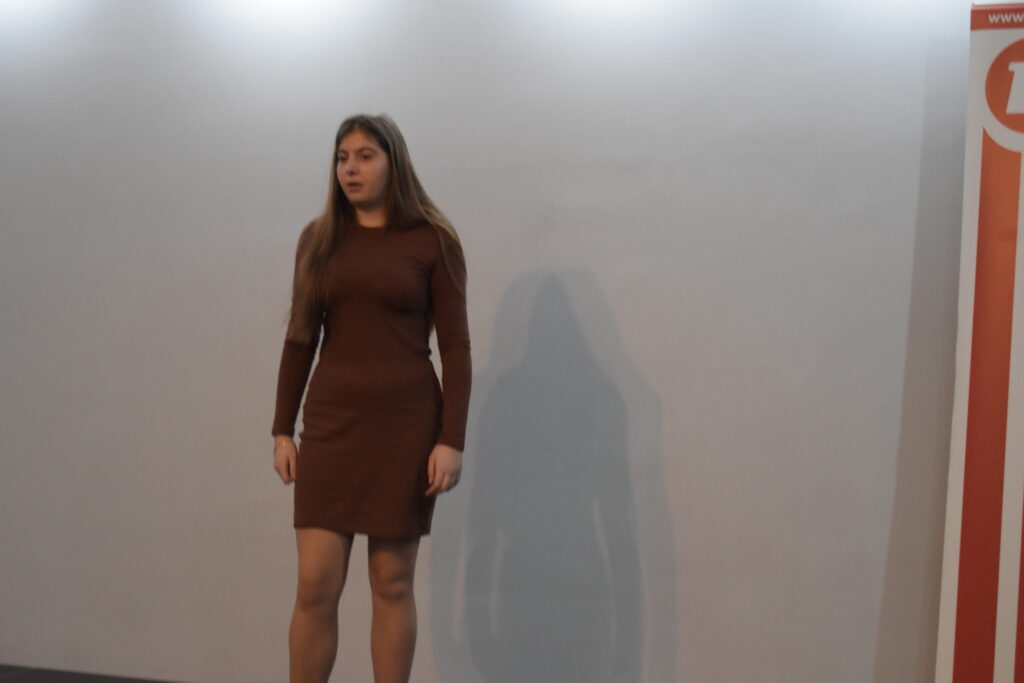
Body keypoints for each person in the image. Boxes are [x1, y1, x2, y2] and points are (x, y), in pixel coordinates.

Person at [270, 113, 472, 683]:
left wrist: (451, 439)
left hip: (405, 430)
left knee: (391, 582)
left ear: (393, 162)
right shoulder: (318, 241)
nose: (350, 169)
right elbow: (299, 338)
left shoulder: (433, 240)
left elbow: (456, 348)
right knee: (315, 583)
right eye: (342, 158)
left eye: (365, 156)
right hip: (333, 425)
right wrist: (282, 429)